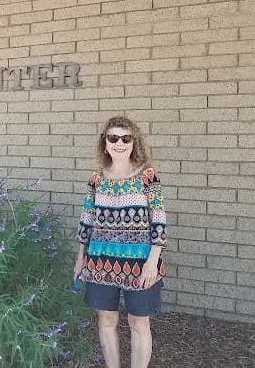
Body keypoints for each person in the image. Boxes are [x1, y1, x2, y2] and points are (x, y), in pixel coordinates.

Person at [72, 116, 168, 368]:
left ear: (134, 143)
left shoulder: (148, 177)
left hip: (140, 262)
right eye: (113, 138)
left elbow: (159, 221)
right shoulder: (96, 179)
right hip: (100, 261)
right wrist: (80, 258)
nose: (120, 143)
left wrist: (152, 262)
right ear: (104, 143)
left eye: (126, 138)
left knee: (139, 322)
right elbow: (86, 221)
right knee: (106, 321)